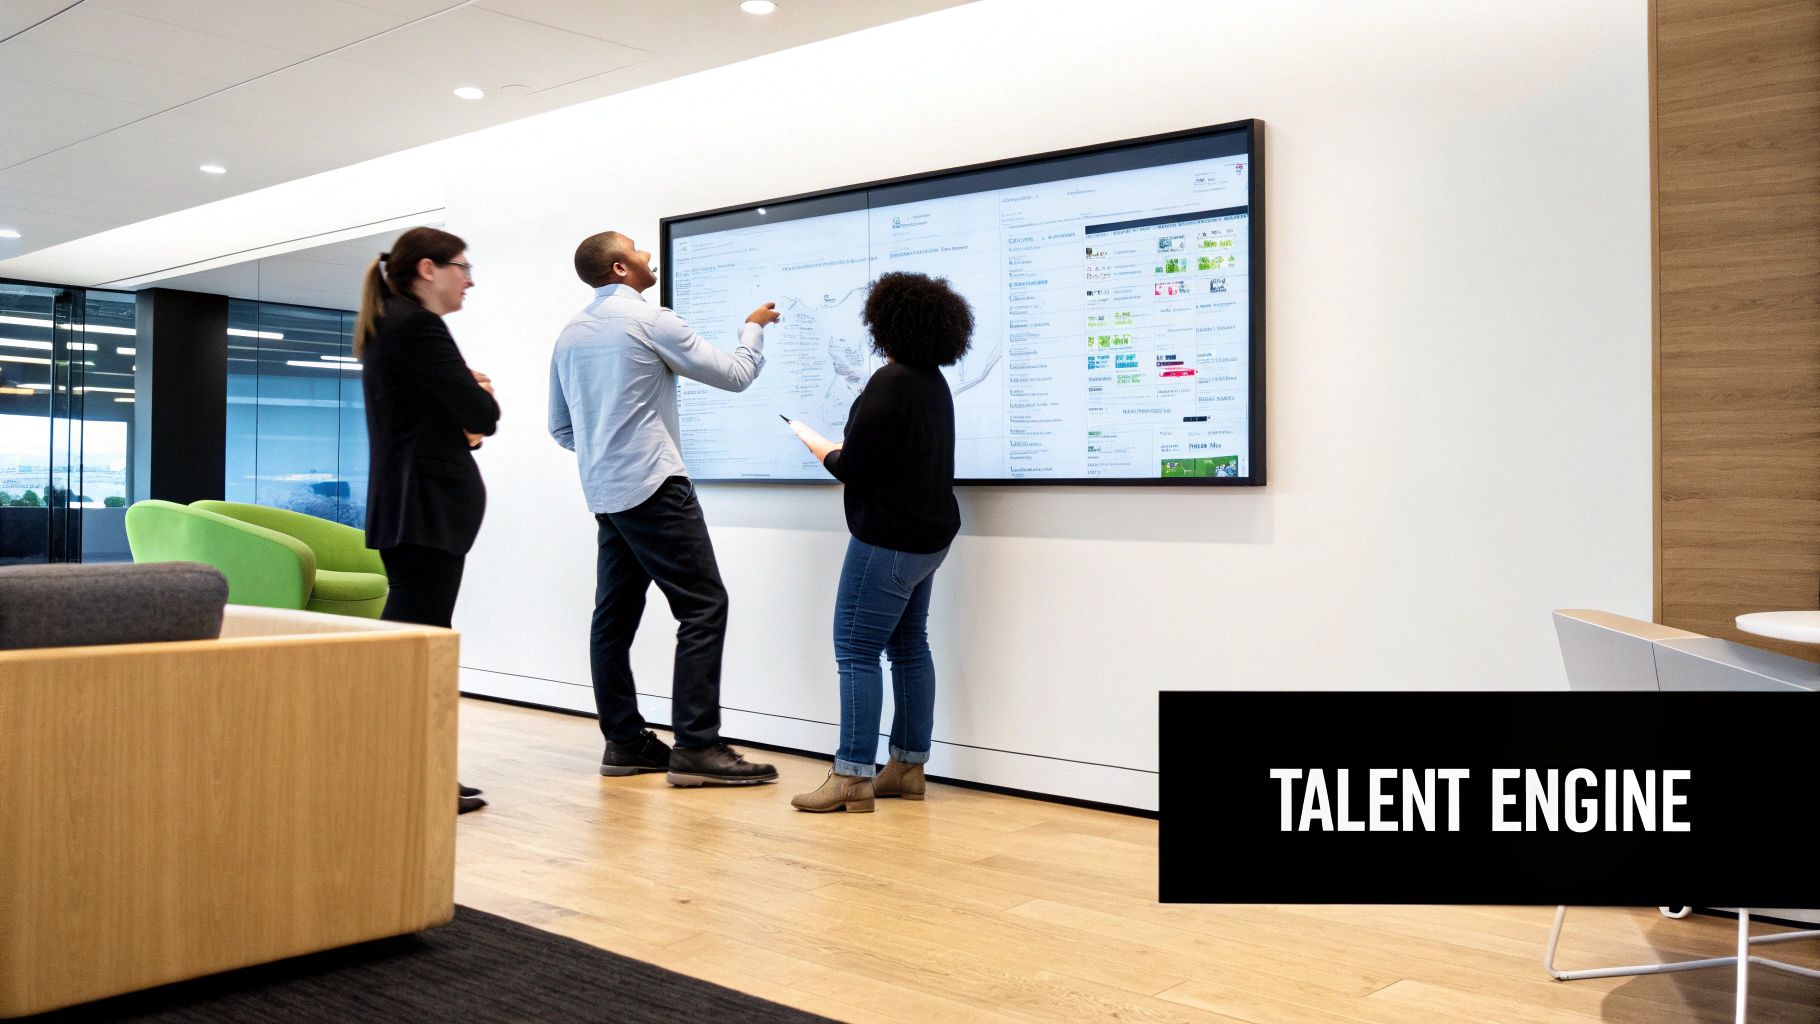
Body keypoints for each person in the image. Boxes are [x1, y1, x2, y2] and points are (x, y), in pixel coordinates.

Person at [549, 231, 780, 787]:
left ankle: (625, 744)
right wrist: (753, 325)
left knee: (613, 619)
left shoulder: (569, 335)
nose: (649, 255)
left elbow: (561, 428)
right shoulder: (651, 320)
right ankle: (698, 748)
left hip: (605, 493)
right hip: (655, 486)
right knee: (703, 606)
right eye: (638, 250)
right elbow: (736, 375)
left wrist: (609, 450)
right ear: (621, 269)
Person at [786, 271, 970, 813]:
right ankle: (907, 767)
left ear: (885, 322)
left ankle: (850, 777)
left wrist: (818, 446)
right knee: (910, 645)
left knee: (856, 651)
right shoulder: (930, 380)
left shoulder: (890, 382)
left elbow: (857, 467)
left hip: (887, 541)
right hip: (928, 538)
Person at [355, 226, 500, 815]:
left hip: (415, 504)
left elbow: (444, 420)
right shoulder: (415, 325)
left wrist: (465, 411)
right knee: (417, 648)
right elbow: (482, 413)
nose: (468, 280)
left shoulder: (390, 323)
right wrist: (476, 393)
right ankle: (410, 774)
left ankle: (416, 769)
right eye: (462, 267)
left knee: (414, 642)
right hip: (426, 508)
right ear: (427, 269)